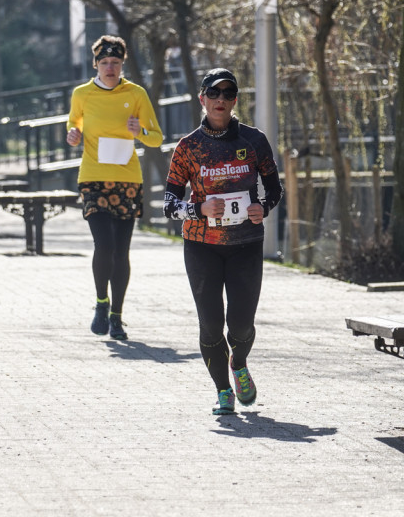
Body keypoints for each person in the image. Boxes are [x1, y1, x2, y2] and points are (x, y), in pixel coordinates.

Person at [163, 68, 283, 415]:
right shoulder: (188, 147)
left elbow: (274, 189)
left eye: (227, 95)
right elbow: (169, 205)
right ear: (202, 99)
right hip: (202, 247)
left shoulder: (253, 140)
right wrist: (198, 207)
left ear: (234, 101)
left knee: (242, 324)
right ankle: (222, 391)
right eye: (213, 95)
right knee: (211, 323)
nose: (220, 101)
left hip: (246, 244)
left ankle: (239, 363)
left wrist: (264, 207)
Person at [66, 35, 163, 340]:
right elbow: (74, 126)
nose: (110, 68)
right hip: (93, 178)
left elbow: (156, 138)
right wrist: (72, 135)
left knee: (121, 252)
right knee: (103, 245)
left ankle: (117, 316)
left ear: (122, 65)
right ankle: (100, 302)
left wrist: (141, 130)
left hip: (127, 179)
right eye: (105, 62)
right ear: (95, 64)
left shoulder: (135, 94)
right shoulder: (82, 94)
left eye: (116, 63)